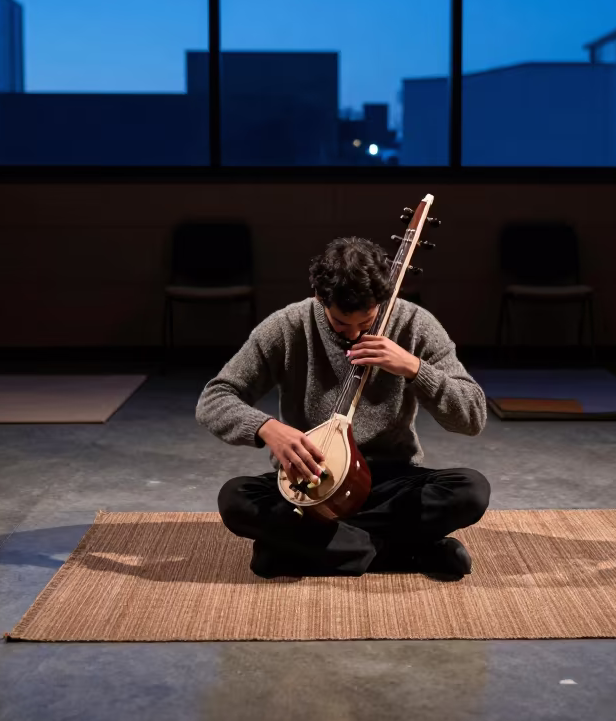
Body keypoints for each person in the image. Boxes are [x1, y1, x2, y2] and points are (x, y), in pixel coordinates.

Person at [197, 236, 490, 579]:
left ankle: (306, 549)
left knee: (471, 490)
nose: (353, 335)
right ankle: (408, 552)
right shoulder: (288, 325)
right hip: (311, 482)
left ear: (382, 299)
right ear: (319, 297)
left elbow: (473, 415)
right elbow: (215, 397)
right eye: (340, 324)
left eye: (365, 324)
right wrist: (267, 429)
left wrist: (414, 368)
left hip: (389, 480)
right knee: (235, 498)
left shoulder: (415, 324)